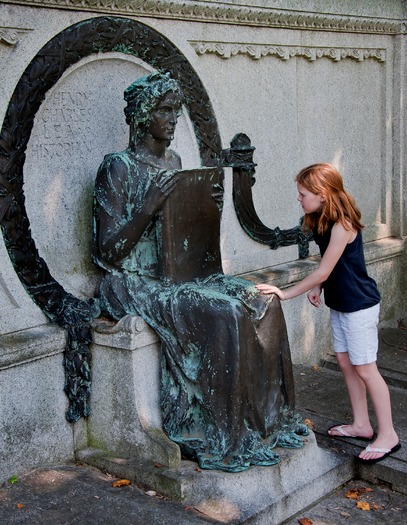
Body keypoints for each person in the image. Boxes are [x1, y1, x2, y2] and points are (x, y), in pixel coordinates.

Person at [92, 72, 308, 472]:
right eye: (164, 111)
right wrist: (148, 206)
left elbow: (187, 235)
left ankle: (269, 422)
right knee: (224, 313)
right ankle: (225, 436)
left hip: (181, 271)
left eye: (176, 111)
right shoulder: (117, 168)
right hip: (133, 281)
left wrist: (207, 205)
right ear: (143, 116)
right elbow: (106, 253)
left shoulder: (174, 162)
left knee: (263, 301)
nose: (173, 119)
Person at [256, 163, 400, 464]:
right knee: (347, 365)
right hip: (341, 303)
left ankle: (388, 434)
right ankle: (362, 425)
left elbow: (324, 267)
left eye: (303, 193)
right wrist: (319, 287)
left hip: (359, 305)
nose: (299, 198)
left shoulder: (343, 224)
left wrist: (285, 292)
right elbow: (330, 266)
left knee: (366, 369)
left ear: (322, 194)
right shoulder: (322, 218)